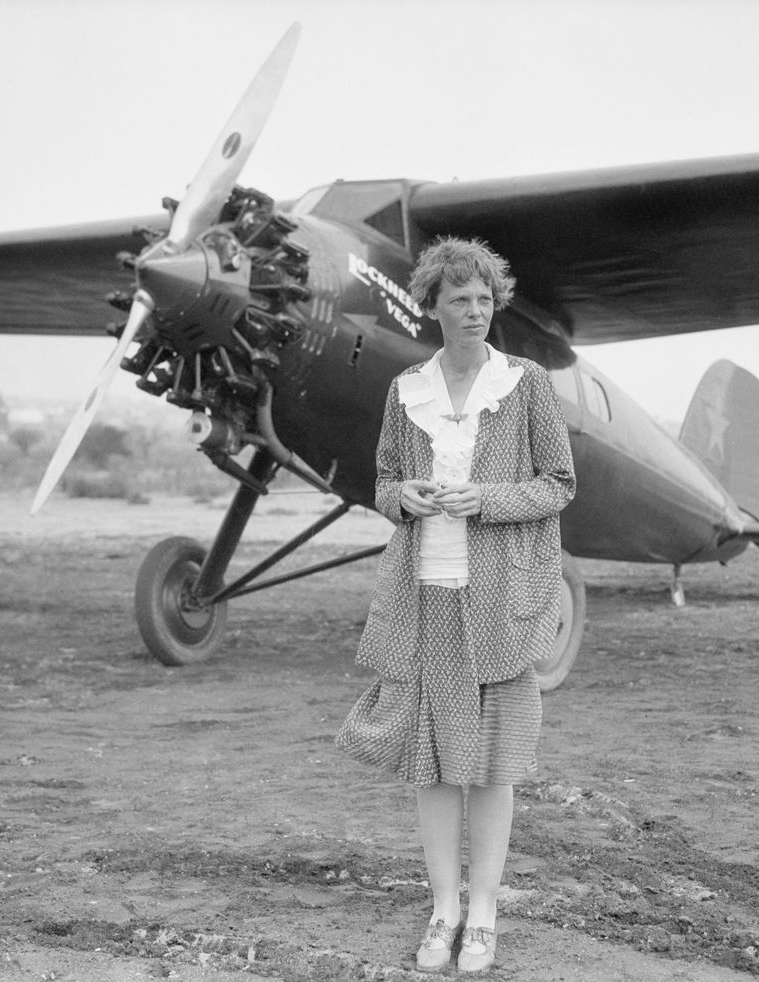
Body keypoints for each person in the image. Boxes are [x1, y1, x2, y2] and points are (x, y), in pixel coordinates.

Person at [337, 236, 576, 973]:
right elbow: (380, 481)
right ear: (433, 308)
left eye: (483, 300)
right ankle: (443, 910)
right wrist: (401, 498)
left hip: (499, 603)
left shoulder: (526, 383)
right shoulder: (406, 389)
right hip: (427, 600)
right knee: (433, 767)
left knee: (494, 768)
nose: (474, 312)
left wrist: (486, 499)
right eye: (458, 300)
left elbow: (558, 483)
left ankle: (483, 916)